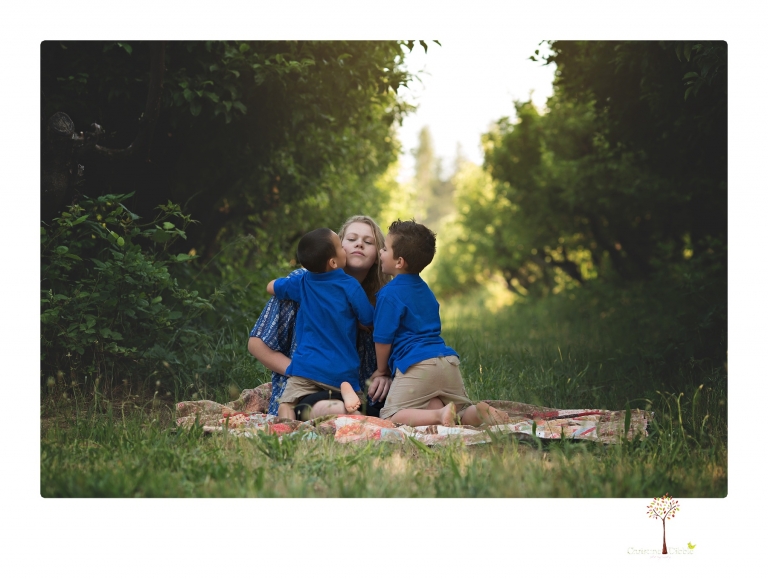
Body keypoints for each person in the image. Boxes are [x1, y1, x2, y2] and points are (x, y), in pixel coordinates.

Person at [248, 216, 393, 419]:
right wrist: (302, 370)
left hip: (357, 393)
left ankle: (355, 414)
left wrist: (385, 372)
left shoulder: (385, 297)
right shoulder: (302, 280)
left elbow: (402, 348)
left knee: (389, 408)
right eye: (351, 239)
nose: (359, 243)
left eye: (368, 242)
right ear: (336, 250)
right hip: (307, 390)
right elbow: (256, 344)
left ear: (379, 255)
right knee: (321, 407)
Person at [369, 219, 509, 427]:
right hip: (447, 362)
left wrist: (382, 371)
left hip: (416, 365)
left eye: (385, 249)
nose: (380, 252)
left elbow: (382, 339)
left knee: (389, 417)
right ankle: (478, 412)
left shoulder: (389, 294)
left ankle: (437, 415)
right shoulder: (426, 292)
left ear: (399, 262)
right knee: (459, 414)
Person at [266, 228, 373, 419]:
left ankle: (286, 433)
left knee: (287, 403)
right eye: (341, 246)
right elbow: (368, 318)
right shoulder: (349, 285)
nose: (344, 249)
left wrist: (276, 283)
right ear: (333, 262)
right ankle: (348, 393)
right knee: (357, 412)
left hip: (306, 367)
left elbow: (271, 287)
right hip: (341, 369)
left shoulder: (302, 282)